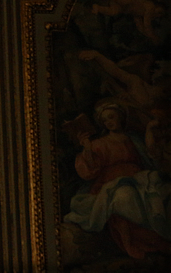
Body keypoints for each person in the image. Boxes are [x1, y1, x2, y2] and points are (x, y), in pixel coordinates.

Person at [64, 101, 171, 259]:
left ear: (120, 117)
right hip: (111, 184)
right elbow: (90, 172)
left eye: (112, 117)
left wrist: (149, 130)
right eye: (105, 120)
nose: (109, 122)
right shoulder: (98, 143)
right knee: (124, 196)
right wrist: (87, 148)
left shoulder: (133, 139)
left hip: (139, 181)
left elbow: (149, 158)